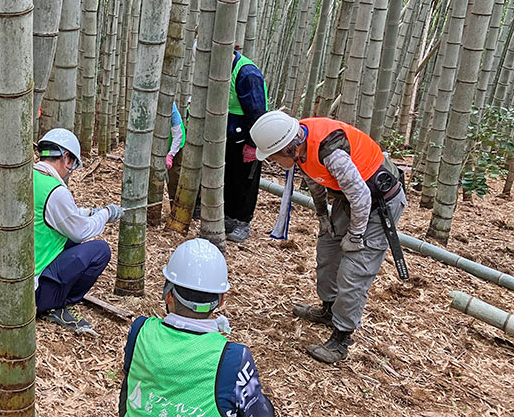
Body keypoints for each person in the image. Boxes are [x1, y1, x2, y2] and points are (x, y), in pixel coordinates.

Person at [250, 111, 406, 364]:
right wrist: (323, 215)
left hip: (378, 203)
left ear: (288, 148)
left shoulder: (331, 151)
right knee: (327, 250)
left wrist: (356, 235)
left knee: (355, 269)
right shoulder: (300, 144)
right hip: (348, 199)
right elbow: (314, 181)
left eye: (273, 157)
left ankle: (342, 338)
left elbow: (361, 196)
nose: (273, 161)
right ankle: (329, 309)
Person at [119, 238, 274, 417]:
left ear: (168, 294)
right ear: (221, 300)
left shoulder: (140, 330)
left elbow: (128, 388)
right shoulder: (233, 357)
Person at [34, 128, 121, 334]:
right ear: (66, 157)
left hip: (17, 276)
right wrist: (106, 213)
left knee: (70, 241)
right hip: (35, 290)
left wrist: (90, 211)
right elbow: (80, 231)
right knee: (100, 250)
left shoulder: (29, 177)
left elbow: (60, 215)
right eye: (72, 163)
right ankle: (57, 304)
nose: (70, 170)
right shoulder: (56, 191)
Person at [225, 50, 268, 242]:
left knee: (245, 180)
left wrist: (253, 144)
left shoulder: (247, 73)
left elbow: (257, 113)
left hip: (248, 136)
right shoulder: (220, 69)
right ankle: (228, 216)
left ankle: (242, 222)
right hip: (227, 136)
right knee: (229, 178)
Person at [165, 101, 186, 208]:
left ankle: (176, 208)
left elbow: (178, 134)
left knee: (173, 178)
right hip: (155, 147)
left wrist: (171, 154)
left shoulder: (170, 105)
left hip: (174, 146)